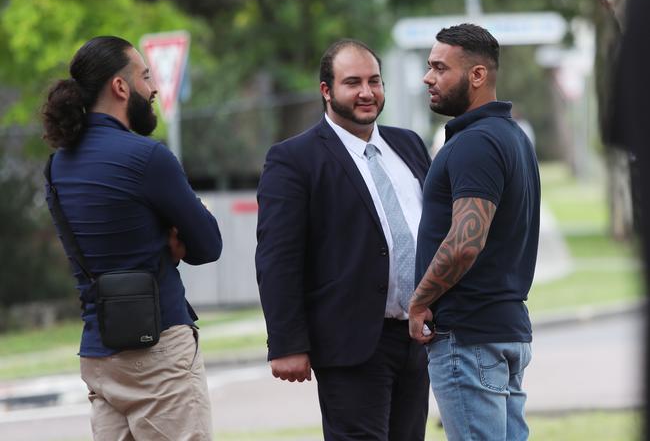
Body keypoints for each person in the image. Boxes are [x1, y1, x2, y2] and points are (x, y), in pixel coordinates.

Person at [42, 36, 222, 440]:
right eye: (144, 76)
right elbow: (209, 246)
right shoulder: (147, 157)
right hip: (158, 351)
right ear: (120, 88)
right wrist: (173, 242)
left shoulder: (57, 166)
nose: (153, 87)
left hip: (98, 353)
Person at [256, 39, 431, 441]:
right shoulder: (293, 159)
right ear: (326, 90)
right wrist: (286, 343)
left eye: (374, 81)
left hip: (416, 339)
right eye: (352, 82)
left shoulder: (409, 145)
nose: (367, 92)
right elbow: (277, 258)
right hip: (351, 342)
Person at [408, 24, 540, 441]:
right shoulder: (512, 137)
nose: (428, 78)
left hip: (469, 337)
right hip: (501, 332)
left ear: (477, 75)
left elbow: (466, 242)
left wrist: (419, 300)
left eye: (439, 68)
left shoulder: (475, 143)